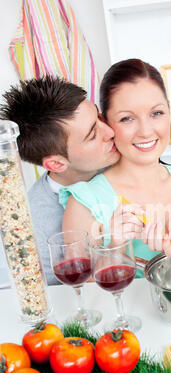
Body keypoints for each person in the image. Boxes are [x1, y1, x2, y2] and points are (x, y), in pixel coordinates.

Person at [60, 59, 171, 273]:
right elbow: (81, 295)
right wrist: (116, 247)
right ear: (106, 123)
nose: (145, 131)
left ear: (169, 111)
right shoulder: (85, 201)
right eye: (126, 118)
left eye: (156, 113)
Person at [0, 76, 120, 284]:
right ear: (56, 164)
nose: (110, 132)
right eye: (92, 135)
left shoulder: (126, 162)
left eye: (99, 116)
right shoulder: (31, 229)